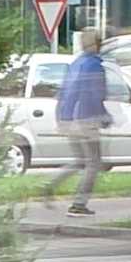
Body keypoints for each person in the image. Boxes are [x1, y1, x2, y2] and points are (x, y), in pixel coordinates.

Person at [43, 38, 113, 218]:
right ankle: (79, 204)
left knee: (80, 160)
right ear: (97, 45)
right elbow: (94, 94)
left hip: (68, 117)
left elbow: (64, 91)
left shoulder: (75, 63)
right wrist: (104, 115)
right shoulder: (95, 66)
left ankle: (50, 184)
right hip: (86, 118)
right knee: (94, 162)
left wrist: (61, 117)